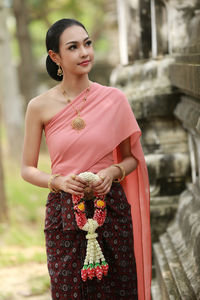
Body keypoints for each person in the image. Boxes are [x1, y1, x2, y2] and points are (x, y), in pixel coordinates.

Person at [21, 18, 152, 300]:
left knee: (119, 290)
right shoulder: (39, 107)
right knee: (70, 291)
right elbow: (27, 169)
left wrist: (112, 171)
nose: (84, 52)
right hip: (63, 213)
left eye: (87, 43)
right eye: (73, 47)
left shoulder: (114, 99)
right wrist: (57, 181)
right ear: (55, 57)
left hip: (111, 207)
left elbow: (131, 160)